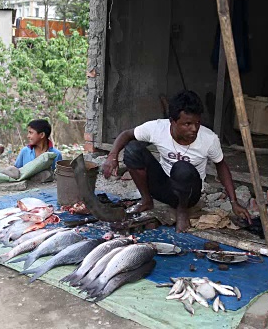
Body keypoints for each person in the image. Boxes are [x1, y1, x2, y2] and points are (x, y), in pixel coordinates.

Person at [102, 90, 252, 233]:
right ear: (172, 122)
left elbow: (221, 165)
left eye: (197, 123)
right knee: (133, 149)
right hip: (163, 187)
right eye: (187, 124)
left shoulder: (209, 139)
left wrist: (234, 202)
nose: (194, 129)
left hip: (190, 194)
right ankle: (146, 200)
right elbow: (126, 134)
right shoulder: (157, 128)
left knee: (182, 168)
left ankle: (182, 210)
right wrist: (112, 156)